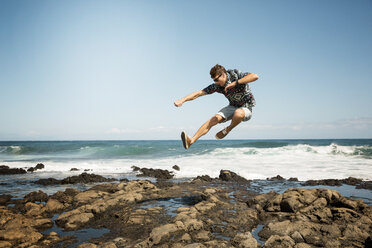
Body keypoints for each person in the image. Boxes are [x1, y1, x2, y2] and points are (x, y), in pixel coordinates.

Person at [174, 64, 259, 149]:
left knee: (238, 113)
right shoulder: (217, 86)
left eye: (217, 80)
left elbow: (254, 76)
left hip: (246, 107)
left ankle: (228, 129)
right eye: (214, 80)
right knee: (213, 119)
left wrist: (235, 83)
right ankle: (191, 141)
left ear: (223, 74)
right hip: (232, 106)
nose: (216, 82)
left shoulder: (235, 74)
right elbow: (199, 93)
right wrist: (182, 100)